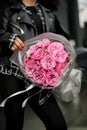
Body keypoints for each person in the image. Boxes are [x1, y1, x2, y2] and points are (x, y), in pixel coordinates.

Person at [0, 0, 69, 130]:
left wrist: (64, 52)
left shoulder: (48, 12)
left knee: (58, 125)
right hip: (13, 73)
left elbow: (61, 38)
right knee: (14, 124)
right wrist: (8, 38)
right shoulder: (7, 8)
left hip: (39, 77)